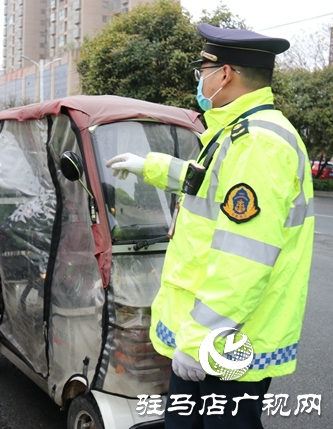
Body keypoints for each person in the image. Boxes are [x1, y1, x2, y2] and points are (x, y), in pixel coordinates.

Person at [106, 24, 314, 428]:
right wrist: (150, 166)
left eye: (203, 69)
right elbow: (210, 183)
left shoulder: (259, 144)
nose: (200, 79)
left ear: (226, 74)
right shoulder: (238, 132)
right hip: (216, 336)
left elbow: (245, 258)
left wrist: (203, 338)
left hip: (225, 342)